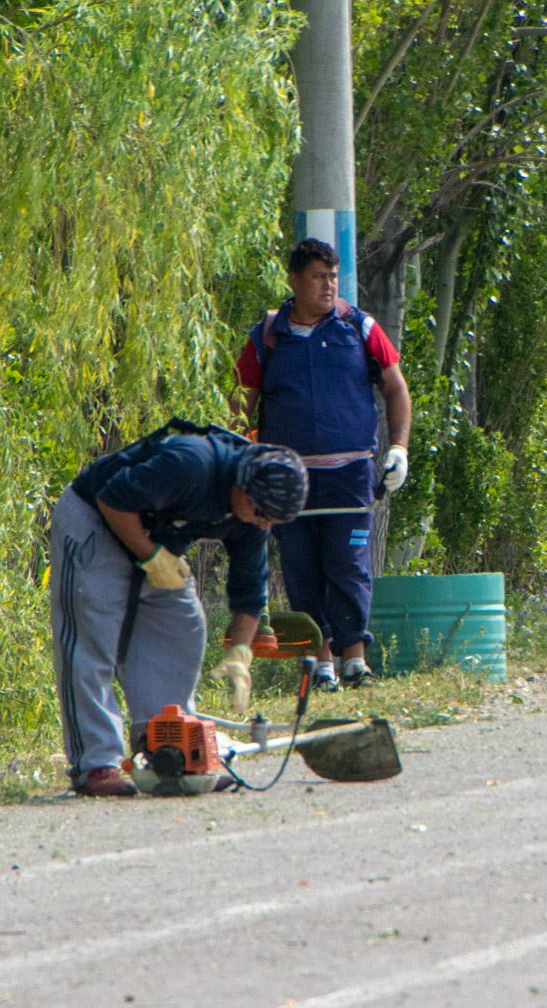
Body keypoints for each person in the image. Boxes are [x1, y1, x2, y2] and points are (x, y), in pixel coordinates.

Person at [49, 420, 308, 797]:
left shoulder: (253, 516)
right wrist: (151, 557)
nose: (261, 522)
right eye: (260, 512)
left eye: (270, 520)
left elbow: (250, 590)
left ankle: (167, 750)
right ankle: (96, 763)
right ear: (243, 485)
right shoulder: (192, 463)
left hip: (154, 538)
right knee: (93, 633)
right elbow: (113, 499)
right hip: (97, 518)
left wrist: (240, 652)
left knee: (182, 623)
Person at [235, 238, 412, 690]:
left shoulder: (360, 327)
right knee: (302, 570)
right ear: (295, 280)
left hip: (350, 475)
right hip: (289, 480)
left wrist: (399, 448)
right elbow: (242, 403)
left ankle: (356, 660)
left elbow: (396, 388)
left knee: (349, 566)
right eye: (318, 277)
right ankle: (321, 663)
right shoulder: (268, 336)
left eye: (333, 276)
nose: (329, 285)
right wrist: (240, 463)